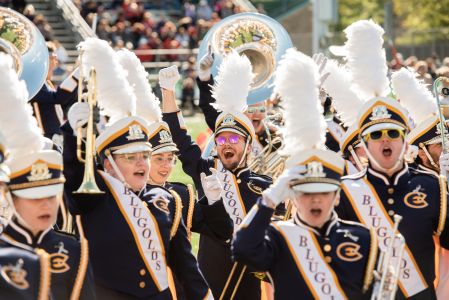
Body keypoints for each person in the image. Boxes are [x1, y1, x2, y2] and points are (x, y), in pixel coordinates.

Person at [63, 112, 212, 299]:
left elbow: (186, 267)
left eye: (145, 155)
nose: (141, 163)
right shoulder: (94, 197)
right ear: (109, 165)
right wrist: (74, 133)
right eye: (130, 157)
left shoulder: (165, 200)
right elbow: (76, 174)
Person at [160, 54, 272, 299]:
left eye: (234, 139)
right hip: (211, 284)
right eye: (221, 139)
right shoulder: (207, 171)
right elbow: (179, 138)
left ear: (248, 146)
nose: (226, 144)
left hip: (250, 286)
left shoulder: (266, 187)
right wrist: (167, 91)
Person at [336, 96, 449, 299]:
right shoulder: (344, 191)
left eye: (393, 133)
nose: (385, 139)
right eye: (376, 134)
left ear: (405, 143)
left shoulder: (432, 185)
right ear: (364, 145)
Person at [196, 50, 282, 168]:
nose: (256, 114)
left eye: (262, 110)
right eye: (251, 110)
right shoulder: (230, 126)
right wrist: (204, 77)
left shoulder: (274, 135)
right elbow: (209, 108)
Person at [29, 41, 79, 143]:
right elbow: (57, 97)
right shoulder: (35, 83)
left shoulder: (47, 83)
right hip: (44, 137)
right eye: (53, 58)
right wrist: (77, 74)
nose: (56, 62)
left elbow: (63, 101)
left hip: (53, 136)